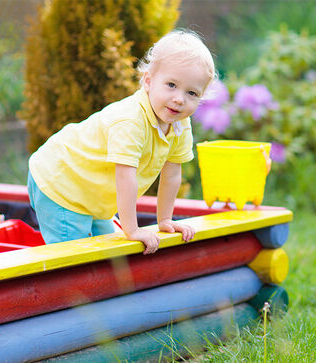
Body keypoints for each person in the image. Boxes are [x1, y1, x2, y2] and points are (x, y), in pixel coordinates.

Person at [27, 29, 216, 254]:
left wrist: (165, 219)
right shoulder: (132, 121)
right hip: (61, 182)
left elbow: (172, 174)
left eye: (192, 93)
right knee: (74, 259)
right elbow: (125, 177)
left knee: (113, 255)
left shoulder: (179, 124)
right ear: (148, 81)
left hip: (91, 194)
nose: (179, 98)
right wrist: (132, 229)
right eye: (171, 85)